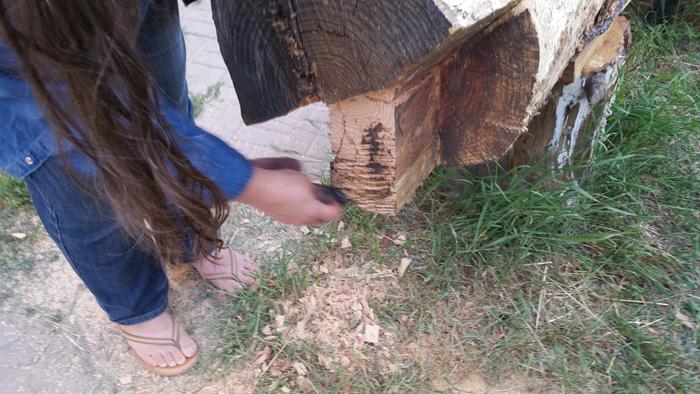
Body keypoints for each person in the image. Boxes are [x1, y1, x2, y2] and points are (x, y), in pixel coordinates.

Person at [0, 0, 342, 376]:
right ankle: (135, 306)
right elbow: (85, 113)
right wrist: (246, 183)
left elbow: (159, 125)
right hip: (22, 44)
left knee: (167, 100)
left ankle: (188, 238)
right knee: (78, 175)